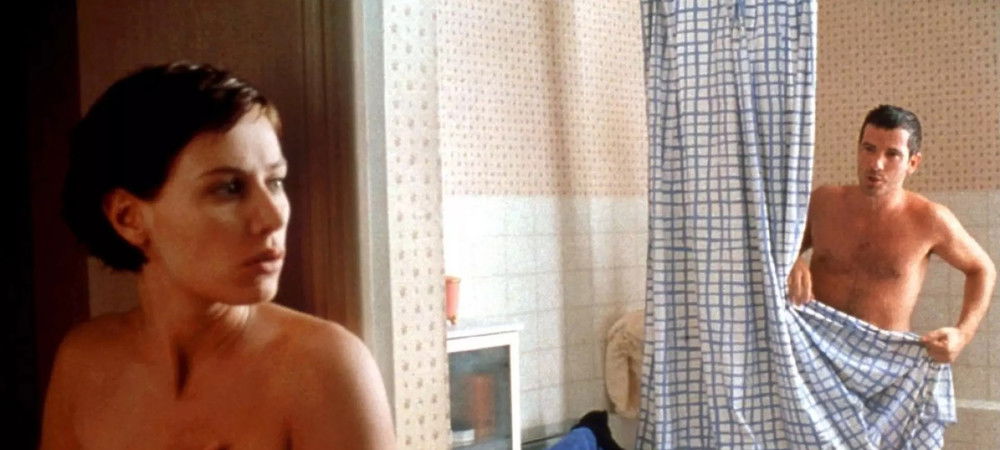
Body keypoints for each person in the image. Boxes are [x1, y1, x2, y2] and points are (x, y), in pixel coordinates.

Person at [40, 62, 396, 449]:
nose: (273, 217)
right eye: (229, 188)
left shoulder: (322, 368)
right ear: (129, 217)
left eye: (275, 181)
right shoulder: (83, 364)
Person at [787, 104, 996, 364]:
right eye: (869, 148)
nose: (876, 163)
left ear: (913, 163)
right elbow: (776, 247)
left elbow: (982, 269)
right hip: (815, 350)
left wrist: (963, 334)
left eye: (892, 154)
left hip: (885, 361)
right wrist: (792, 260)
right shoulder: (823, 202)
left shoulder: (930, 219)